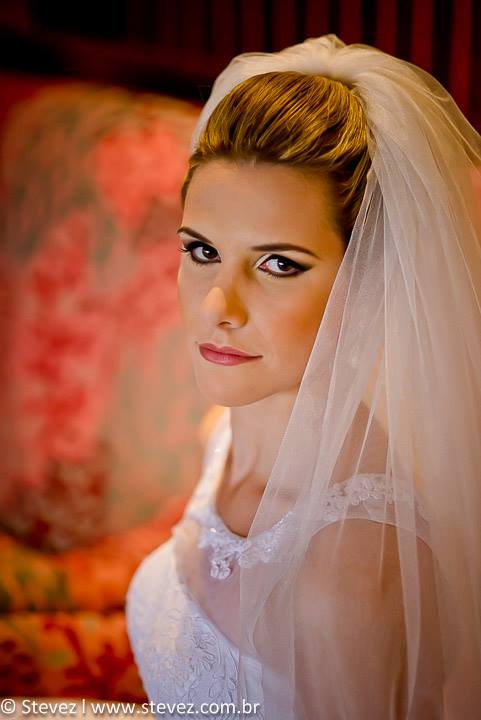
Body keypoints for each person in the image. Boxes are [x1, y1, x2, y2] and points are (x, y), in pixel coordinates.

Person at [126, 34, 481, 719]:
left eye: (278, 264)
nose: (217, 306)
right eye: (202, 251)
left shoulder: (346, 579)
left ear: (371, 282)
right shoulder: (224, 433)